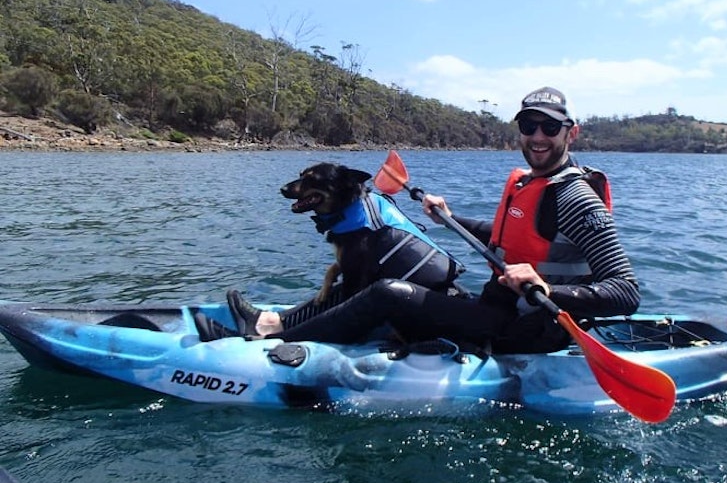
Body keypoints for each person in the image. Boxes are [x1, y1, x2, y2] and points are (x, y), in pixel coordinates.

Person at [203, 87, 640, 353]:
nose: (538, 137)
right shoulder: (530, 183)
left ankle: (272, 341)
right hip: (498, 307)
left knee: (389, 293)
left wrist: (549, 289)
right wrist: (452, 218)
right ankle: (275, 322)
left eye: (550, 127)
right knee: (376, 266)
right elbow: (509, 237)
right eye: (529, 126)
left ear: (571, 132)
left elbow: (625, 292)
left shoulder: (577, 197)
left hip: (531, 329)